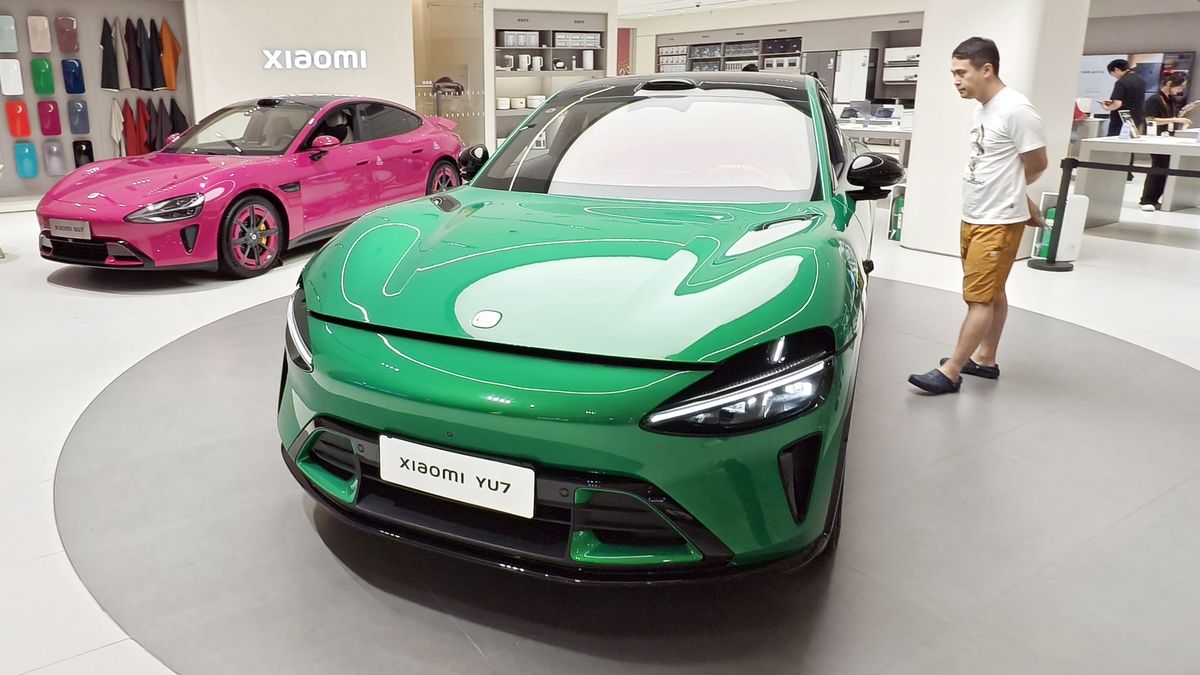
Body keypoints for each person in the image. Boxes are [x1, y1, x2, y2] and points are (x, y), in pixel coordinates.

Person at [908, 37, 1047, 394]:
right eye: (953, 73)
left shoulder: (1017, 109)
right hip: (976, 213)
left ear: (986, 69)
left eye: (961, 73)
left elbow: (1037, 163)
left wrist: (1017, 198)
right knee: (992, 289)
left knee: (979, 298)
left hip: (997, 219)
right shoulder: (981, 108)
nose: (956, 80)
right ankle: (985, 359)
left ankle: (951, 371)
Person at [1140, 72, 1196, 211]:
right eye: (1180, 87)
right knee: (1159, 168)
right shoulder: (1155, 99)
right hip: (1156, 138)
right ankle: (1147, 199)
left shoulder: (1168, 99)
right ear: (1170, 84)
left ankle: (1153, 199)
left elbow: (1170, 116)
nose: (1181, 90)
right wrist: (1176, 120)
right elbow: (1150, 120)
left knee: (1163, 168)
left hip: (1166, 138)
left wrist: (1184, 111)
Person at [1102, 59, 1147, 137]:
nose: (1114, 76)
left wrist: (1107, 108)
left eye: (1112, 74)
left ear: (1116, 69)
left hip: (1121, 120)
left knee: (1114, 142)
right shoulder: (1141, 80)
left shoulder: (1121, 82)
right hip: (1137, 118)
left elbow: (1117, 103)